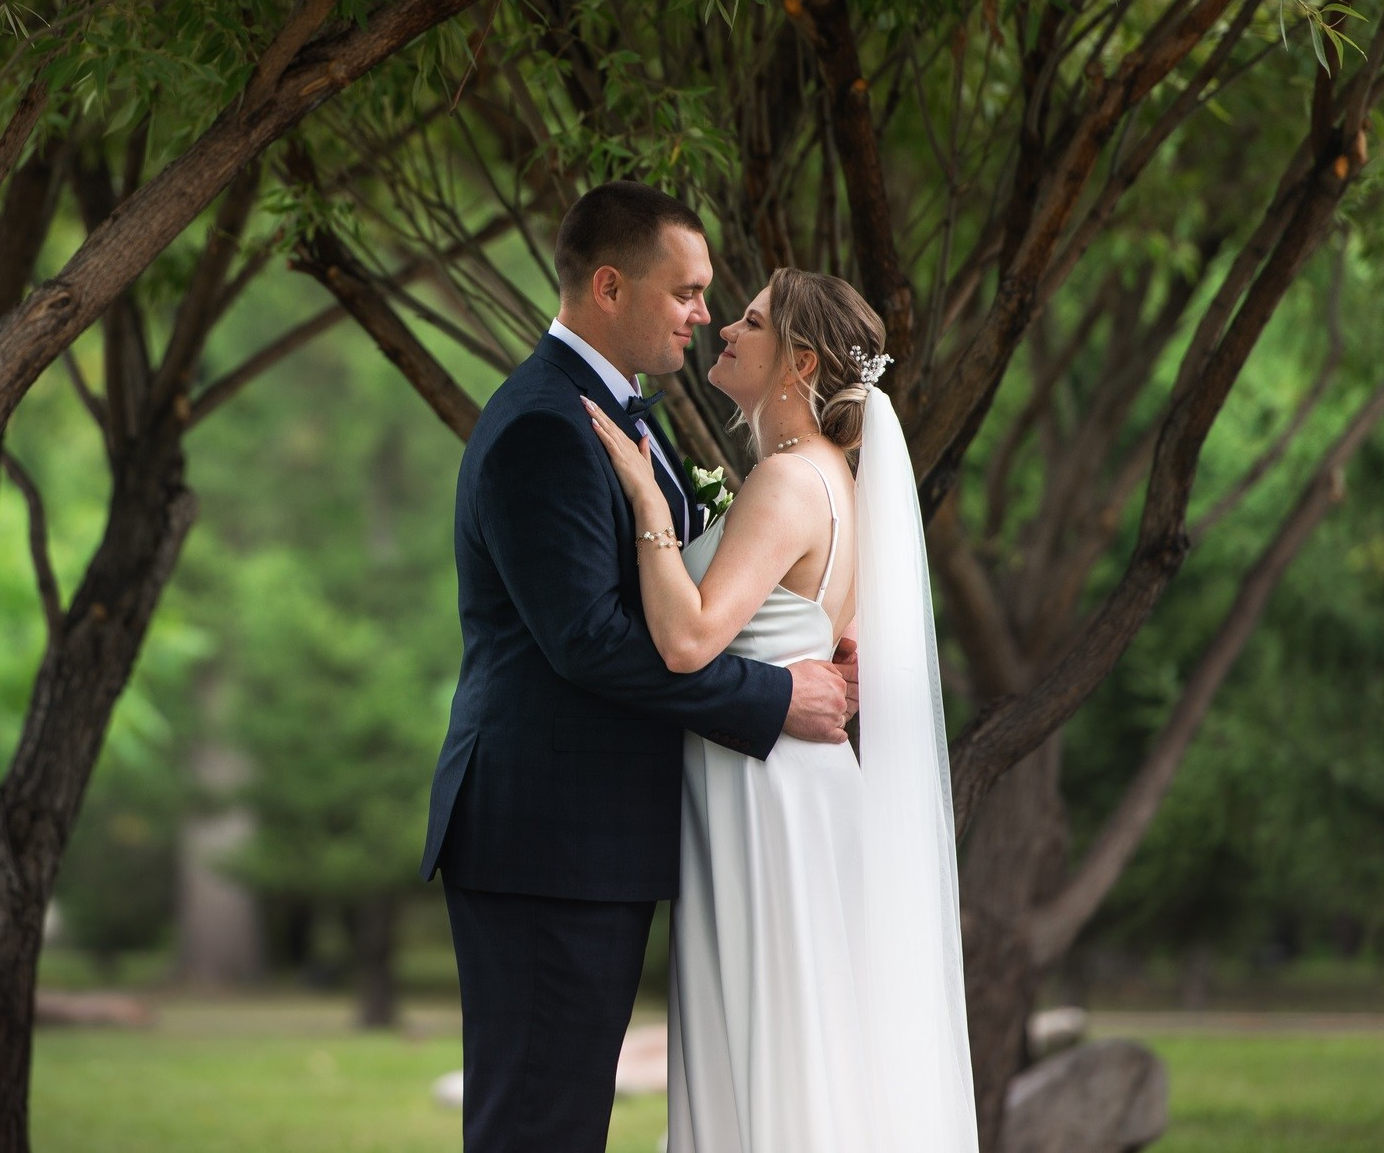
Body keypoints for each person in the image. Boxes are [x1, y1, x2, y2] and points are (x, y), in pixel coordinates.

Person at [419, 181, 858, 1153]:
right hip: (545, 837)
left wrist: (809, 640)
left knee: (564, 1118)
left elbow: (686, 598)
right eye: (685, 291)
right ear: (609, 287)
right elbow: (587, 640)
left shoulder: (620, 414)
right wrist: (773, 694)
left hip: (592, 838)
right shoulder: (543, 425)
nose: (704, 314)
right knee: (538, 1125)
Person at [584, 267, 978, 1151]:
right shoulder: (836, 479)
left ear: (800, 362)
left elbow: (689, 640)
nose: (725, 328)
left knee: (774, 1040)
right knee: (807, 1039)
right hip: (793, 778)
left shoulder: (788, 480)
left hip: (761, 790)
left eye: (753, 322)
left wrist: (648, 503)